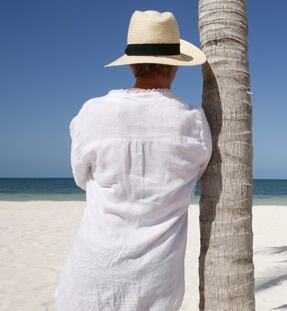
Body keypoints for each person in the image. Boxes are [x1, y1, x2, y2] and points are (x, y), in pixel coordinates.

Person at [54, 10, 212, 311]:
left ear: (132, 63)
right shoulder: (192, 121)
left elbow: (80, 177)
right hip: (158, 281)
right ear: (175, 66)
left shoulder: (92, 113)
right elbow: (199, 171)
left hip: (92, 271)